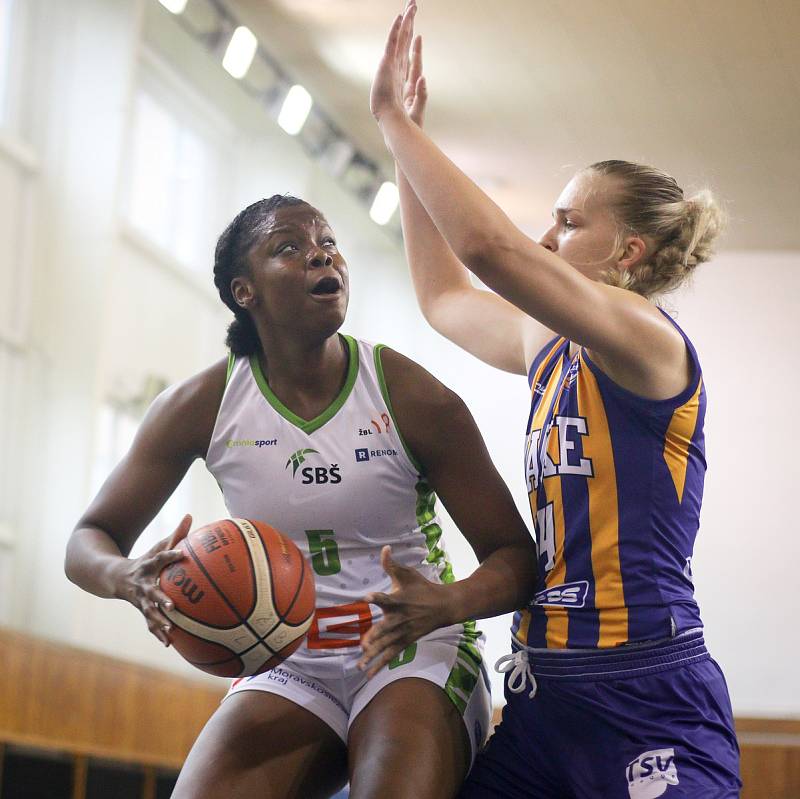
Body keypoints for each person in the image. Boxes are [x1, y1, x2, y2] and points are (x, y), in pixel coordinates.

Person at [365, 3, 741, 796]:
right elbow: (444, 297)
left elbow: (489, 249)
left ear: (626, 252)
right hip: (545, 694)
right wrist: (407, 155)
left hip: (649, 693)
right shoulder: (548, 344)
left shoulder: (645, 339)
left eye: (568, 222)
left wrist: (396, 124)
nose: (546, 237)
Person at [64, 193, 538, 799]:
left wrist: (447, 602)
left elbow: (517, 559)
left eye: (328, 243)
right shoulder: (203, 404)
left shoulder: (411, 395)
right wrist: (126, 577)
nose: (322, 257)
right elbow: (87, 539)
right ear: (245, 291)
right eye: (290, 248)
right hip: (285, 653)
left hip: (414, 647)